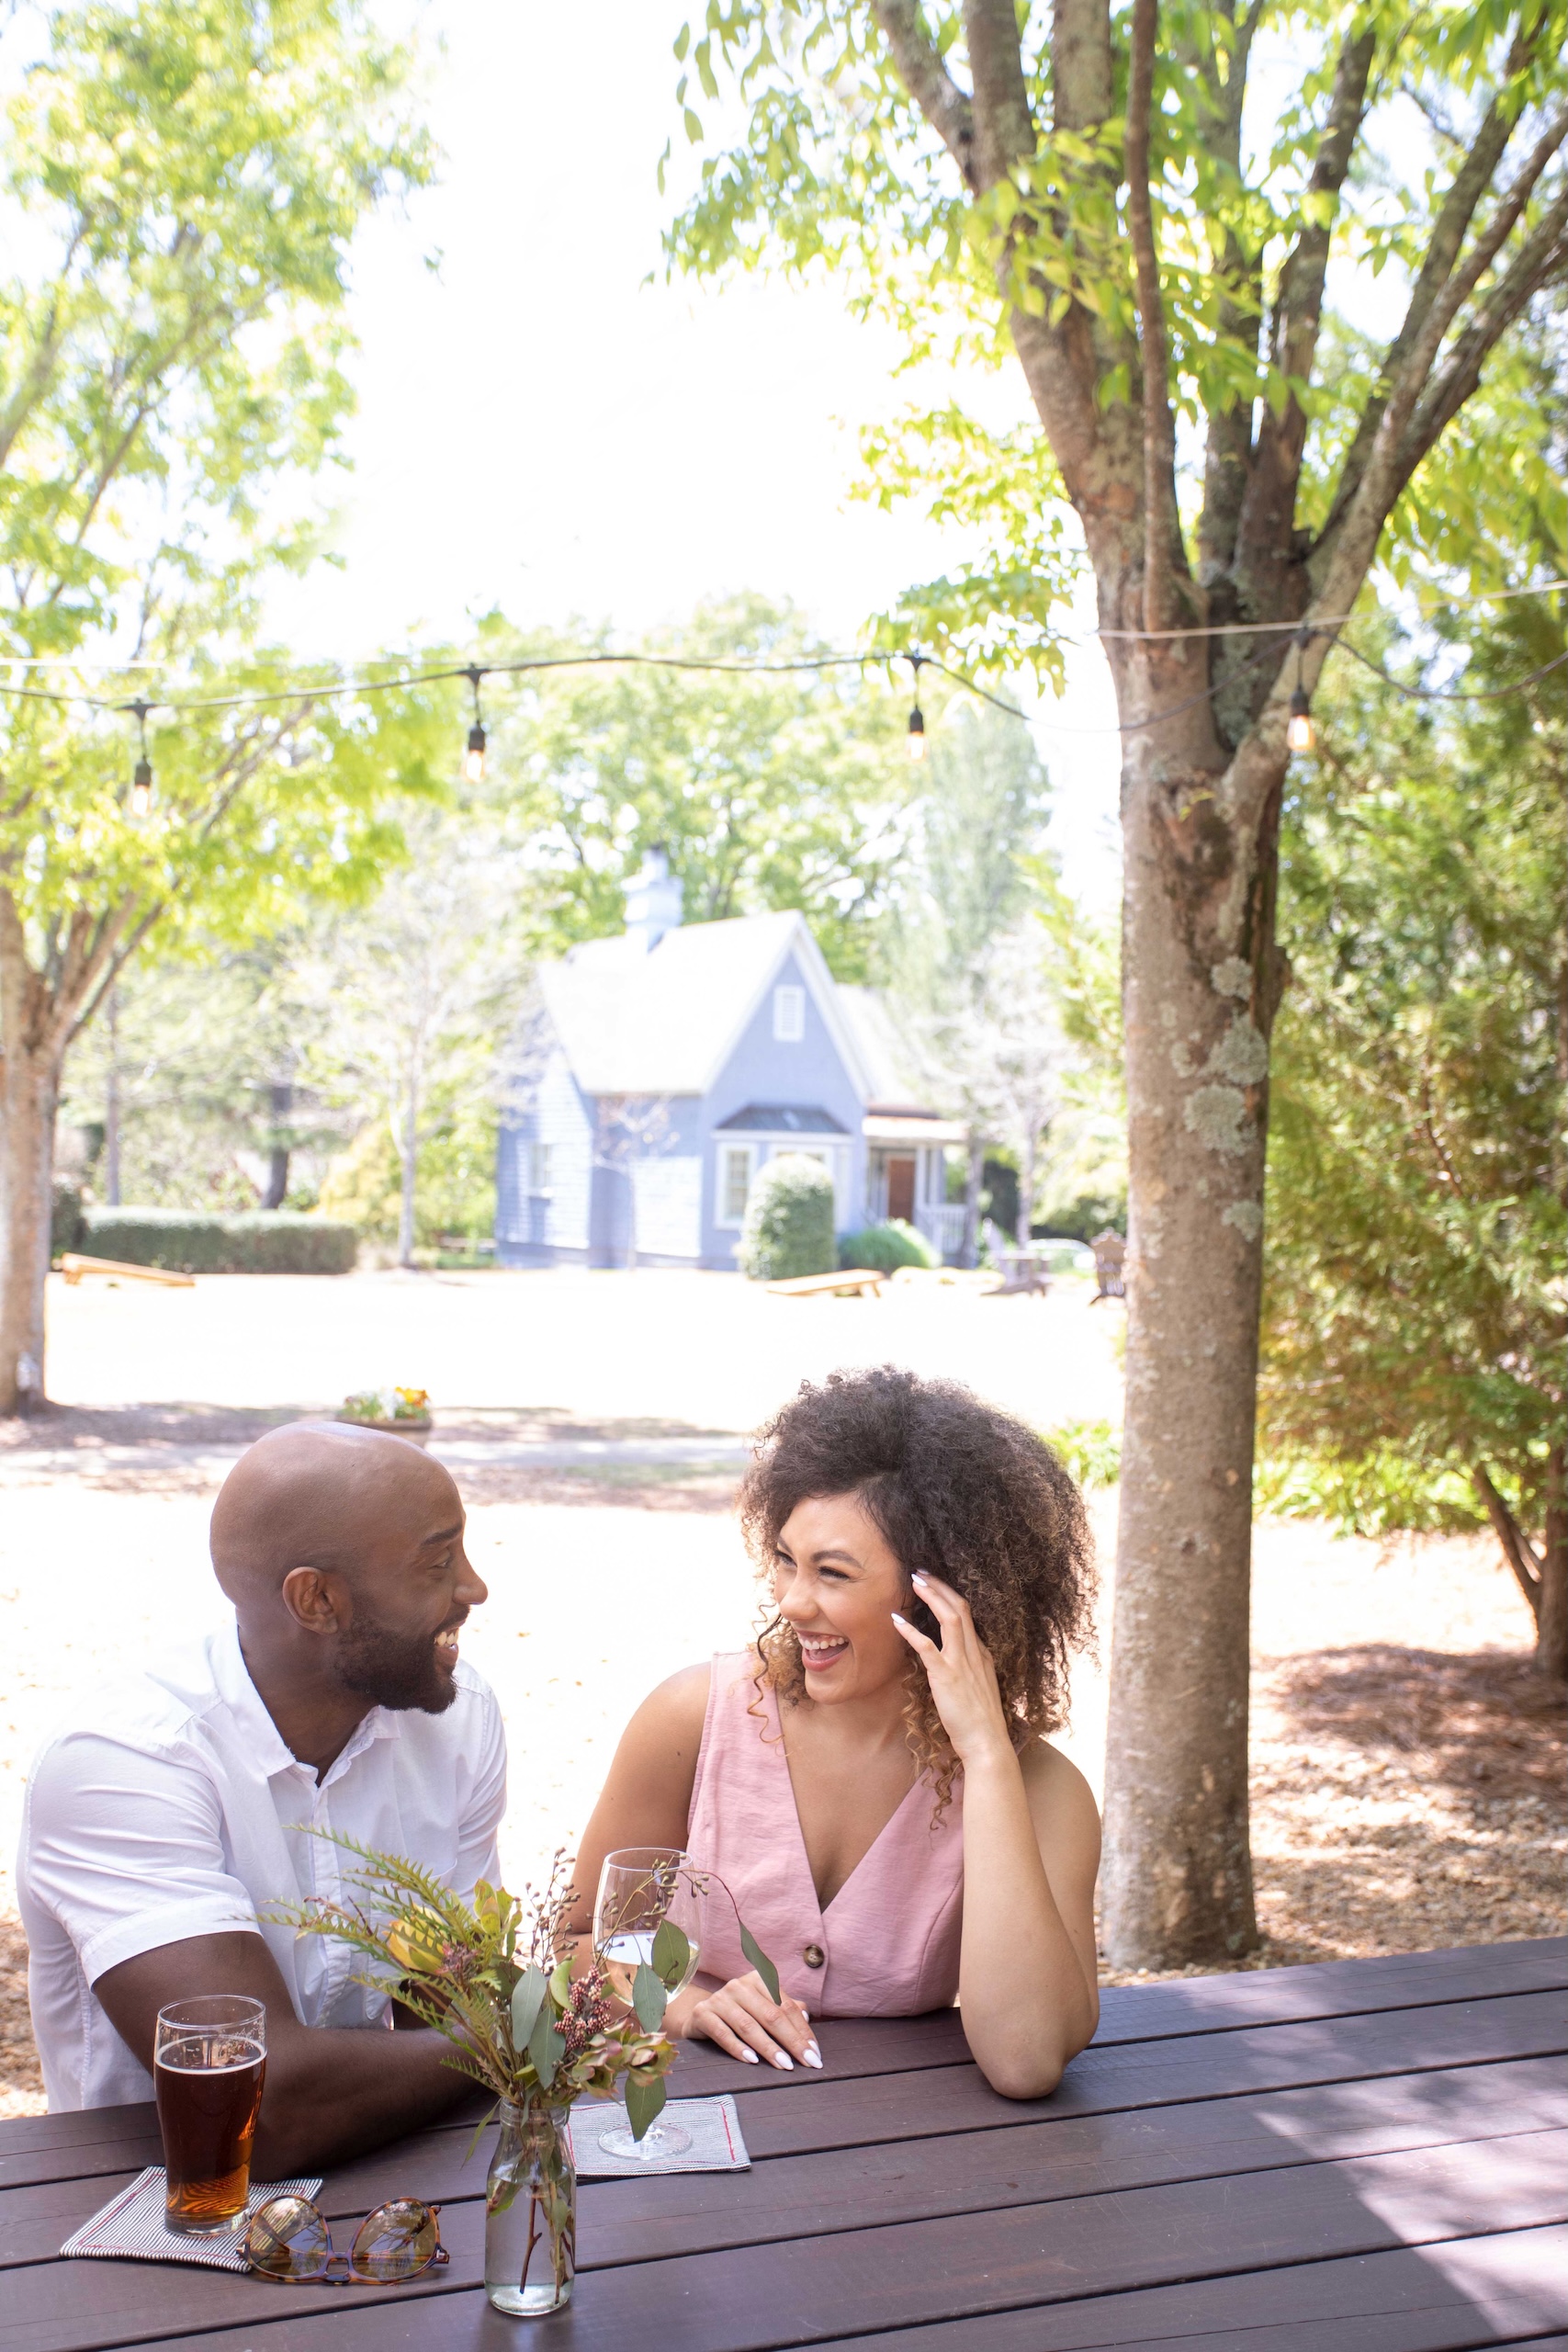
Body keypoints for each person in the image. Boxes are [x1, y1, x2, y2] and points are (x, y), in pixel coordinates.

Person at [570, 1366, 1100, 2099]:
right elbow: (576, 1947)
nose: (790, 1602)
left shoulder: (1042, 1790)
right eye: (786, 1560)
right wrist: (690, 2008)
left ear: (939, 1599)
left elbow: (1025, 2060)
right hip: (688, 2132)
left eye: (833, 1573)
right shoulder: (691, 1719)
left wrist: (983, 1756)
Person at [17, 1421, 503, 2173]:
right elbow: (249, 2107)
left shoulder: (455, 1716)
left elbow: (447, 1999)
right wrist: (523, 2038)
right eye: (438, 1563)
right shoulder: (125, 1759)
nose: (474, 1588)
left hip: (381, 2165)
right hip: (146, 2214)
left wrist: (485, 2035)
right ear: (317, 1601)